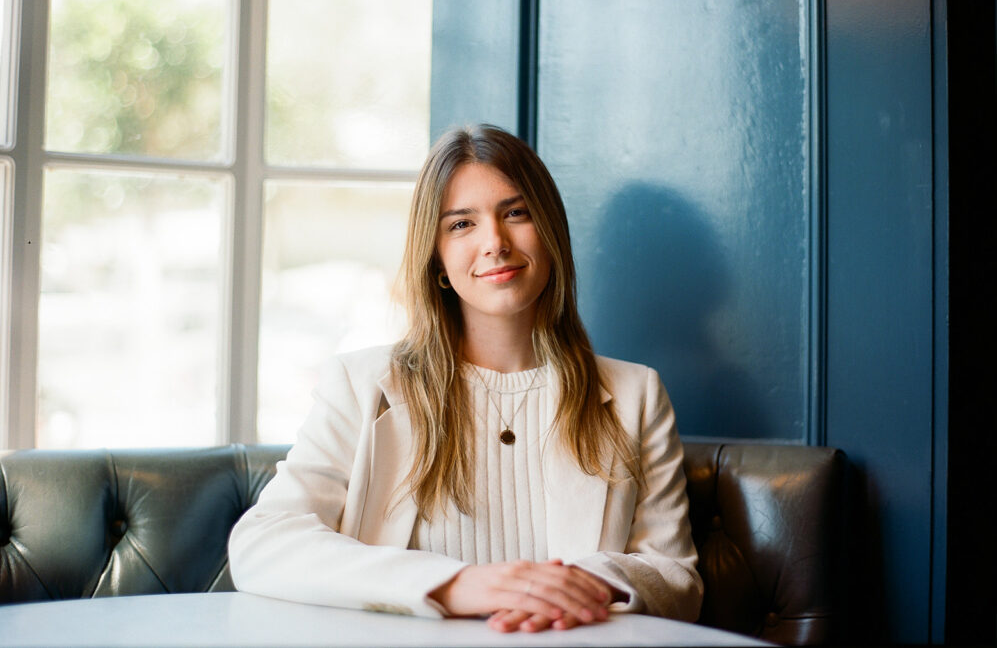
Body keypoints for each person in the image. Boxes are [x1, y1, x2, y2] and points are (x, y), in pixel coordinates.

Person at [228, 124, 703, 633]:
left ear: (550, 231)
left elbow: (674, 577)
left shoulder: (637, 393)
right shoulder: (362, 384)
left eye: (515, 213)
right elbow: (263, 543)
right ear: (436, 258)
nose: (494, 243)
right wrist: (457, 586)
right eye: (461, 225)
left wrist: (579, 584)